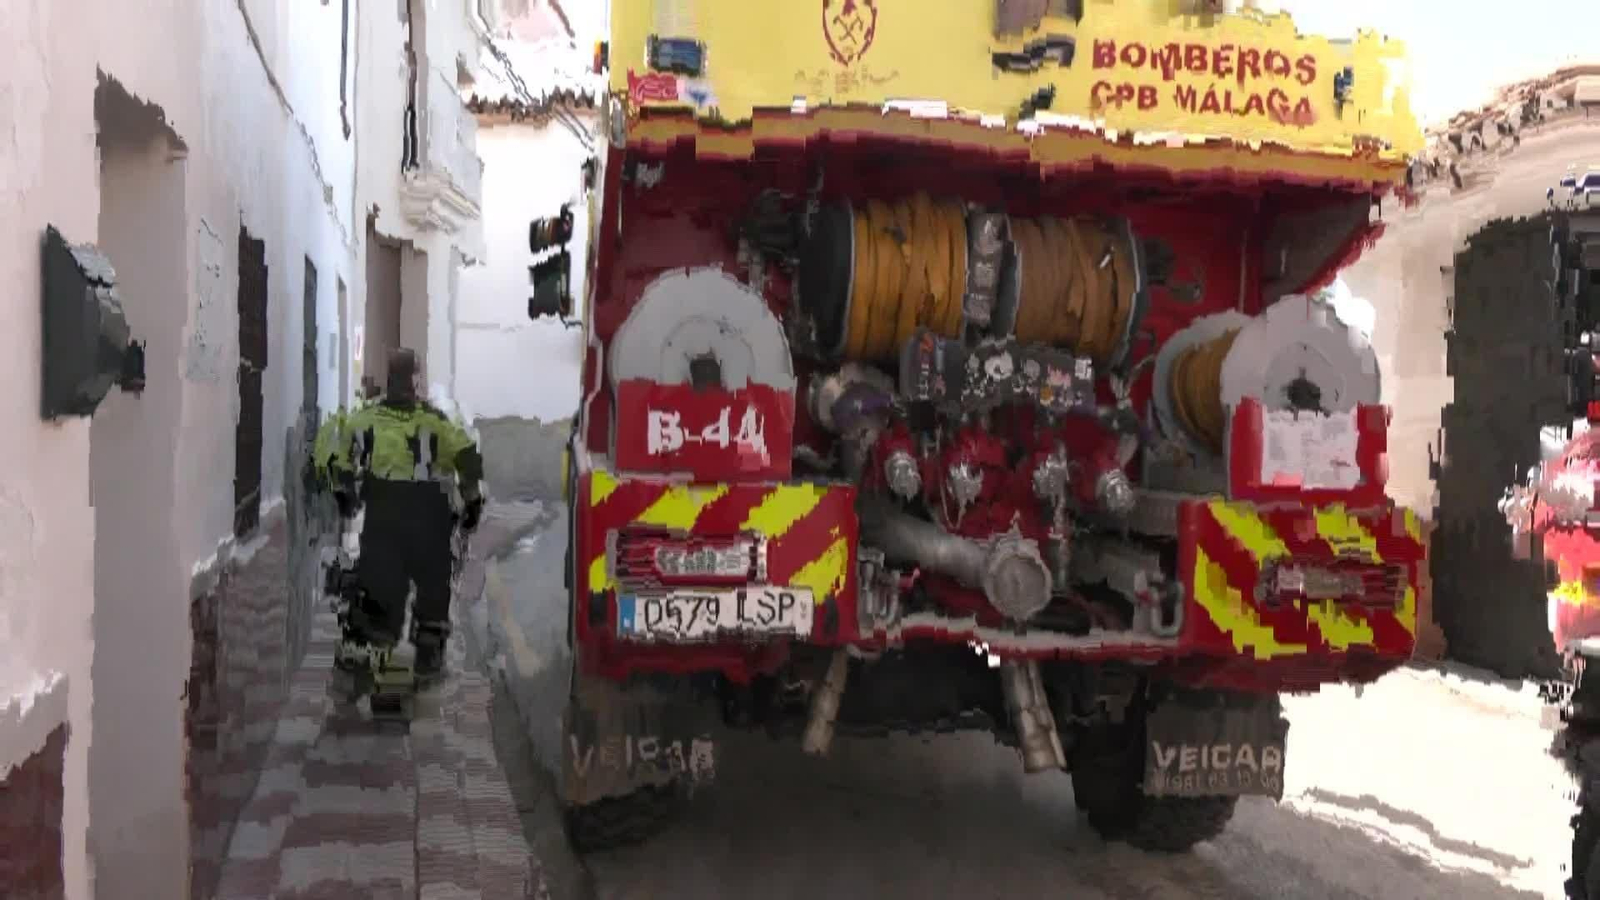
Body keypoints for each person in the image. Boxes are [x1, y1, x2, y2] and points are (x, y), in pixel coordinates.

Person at [328, 348, 484, 683]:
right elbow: (467, 458)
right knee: (432, 586)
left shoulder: (365, 419)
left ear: (389, 379)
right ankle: (427, 657)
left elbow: (340, 457)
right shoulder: (436, 421)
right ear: (415, 380)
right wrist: (472, 504)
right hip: (428, 517)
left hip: (383, 516)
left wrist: (346, 495)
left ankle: (371, 655)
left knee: (382, 583)